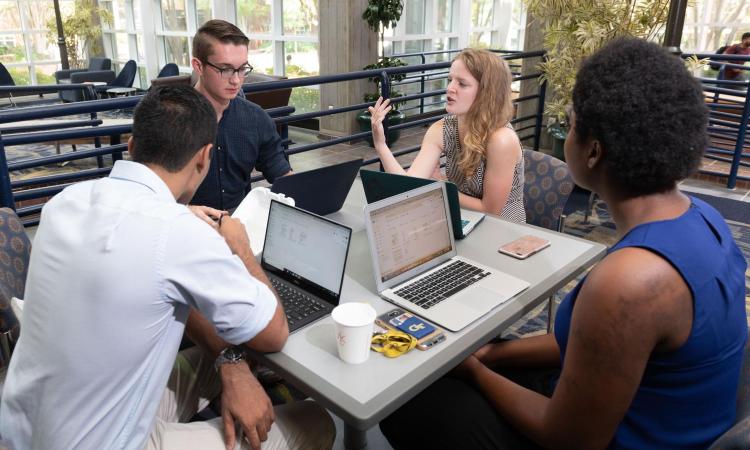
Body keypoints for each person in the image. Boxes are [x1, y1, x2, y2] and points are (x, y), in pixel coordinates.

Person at [380, 38, 747, 449]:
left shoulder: (629, 281)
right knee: (472, 355)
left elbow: (567, 438)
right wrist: (491, 357)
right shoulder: (704, 218)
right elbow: (583, 347)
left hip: (600, 437)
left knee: (408, 398)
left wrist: (475, 372)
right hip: (657, 415)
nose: (564, 132)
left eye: (571, 122)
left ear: (593, 152)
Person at [0, 86, 335, 450]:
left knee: (232, 361)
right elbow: (274, 333)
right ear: (204, 159)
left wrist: (230, 363)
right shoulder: (180, 234)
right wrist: (241, 249)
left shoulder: (64, 204)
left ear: (131, 145)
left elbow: (153, 277)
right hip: (108, 443)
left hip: (26, 428)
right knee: (316, 421)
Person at [369, 48, 525, 222]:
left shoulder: (501, 140)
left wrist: (438, 186)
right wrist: (381, 145)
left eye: (462, 84)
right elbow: (407, 186)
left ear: (486, 93)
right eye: (450, 80)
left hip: (504, 233)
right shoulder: (441, 129)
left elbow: (490, 210)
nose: (450, 88)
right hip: (461, 220)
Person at [189, 19, 292, 221]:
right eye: (225, 69)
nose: (236, 80)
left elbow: (280, 173)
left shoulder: (256, 118)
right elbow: (149, 193)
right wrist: (185, 211)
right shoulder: (169, 120)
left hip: (240, 224)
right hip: (184, 227)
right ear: (198, 66)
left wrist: (311, 191)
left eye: (242, 68)